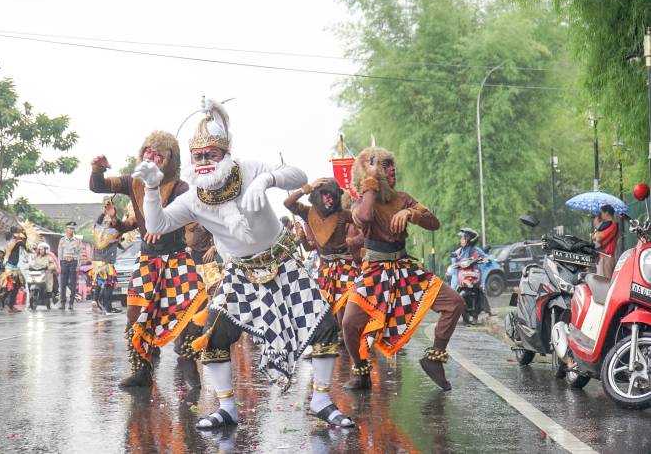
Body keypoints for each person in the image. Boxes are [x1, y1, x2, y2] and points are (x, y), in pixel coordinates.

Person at [136, 98, 354, 429]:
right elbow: (156, 226)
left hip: (283, 263)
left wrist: (267, 181)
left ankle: (321, 399)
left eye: (212, 154)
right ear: (191, 160)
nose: (205, 160)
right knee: (212, 334)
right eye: (199, 156)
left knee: (323, 326)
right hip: (241, 273)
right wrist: (151, 188)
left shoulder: (248, 169)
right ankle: (226, 408)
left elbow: (298, 174)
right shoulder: (193, 197)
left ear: (226, 154)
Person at [90, 130, 206, 388]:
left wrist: (163, 228)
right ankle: (142, 370)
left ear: (169, 160)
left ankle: (189, 368)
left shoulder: (180, 187)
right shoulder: (133, 182)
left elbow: (186, 217)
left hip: (176, 258)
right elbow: (98, 187)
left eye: (157, 155)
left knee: (187, 313)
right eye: (147, 153)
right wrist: (97, 169)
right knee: (135, 313)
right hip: (148, 260)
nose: (151, 158)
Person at [341, 146, 464, 391]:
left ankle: (434, 358)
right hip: (374, 271)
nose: (391, 169)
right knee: (348, 324)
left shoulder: (403, 198)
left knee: (455, 303)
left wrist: (410, 213)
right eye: (384, 166)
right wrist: (369, 183)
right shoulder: (360, 202)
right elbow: (364, 219)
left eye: (391, 164)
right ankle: (361, 371)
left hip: (405, 267)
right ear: (370, 174)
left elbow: (434, 223)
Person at [284, 177, 359, 322]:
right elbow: (288, 203)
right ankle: (340, 333)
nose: (329, 199)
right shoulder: (307, 213)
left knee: (346, 303)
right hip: (325, 268)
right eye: (325, 194)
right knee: (328, 306)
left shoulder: (343, 214)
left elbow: (365, 225)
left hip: (347, 266)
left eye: (332, 195)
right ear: (317, 195)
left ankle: (347, 331)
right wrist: (306, 188)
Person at [89, 200, 129, 315]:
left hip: (96, 262)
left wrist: (103, 213)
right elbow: (122, 232)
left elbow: (98, 222)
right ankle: (107, 307)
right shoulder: (114, 232)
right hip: (107, 263)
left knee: (99, 282)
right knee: (109, 284)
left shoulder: (97, 230)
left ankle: (95, 300)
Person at [450, 227, 492, 316]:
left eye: (463, 238)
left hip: (474, 273)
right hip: (462, 275)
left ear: (468, 239)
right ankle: (452, 310)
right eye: (461, 238)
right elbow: (454, 261)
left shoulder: (476, 250)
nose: (461, 240)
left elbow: (486, 259)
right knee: (453, 290)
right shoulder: (459, 251)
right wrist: (454, 261)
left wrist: (485, 260)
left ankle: (488, 310)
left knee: (481, 289)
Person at [0, 225, 31, 313]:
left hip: (11, 267)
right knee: (15, 287)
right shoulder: (16, 242)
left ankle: (4, 299)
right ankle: (9, 304)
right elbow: (27, 247)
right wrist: (26, 234)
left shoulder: (11, 241)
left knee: (14, 286)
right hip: (12, 268)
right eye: (19, 233)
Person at [58, 221, 81, 310]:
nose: (71, 230)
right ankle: (62, 303)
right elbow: (60, 253)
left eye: (73, 228)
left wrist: (78, 264)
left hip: (73, 262)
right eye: (70, 228)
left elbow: (79, 254)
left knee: (73, 283)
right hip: (64, 262)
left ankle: (71, 303)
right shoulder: (62, 240)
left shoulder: (77, 241)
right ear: (66, 229)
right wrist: (59, 265)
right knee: (63, 283)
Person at [593, 204, 620, 278]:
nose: (600, 215)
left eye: (601, 213)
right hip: (603, 257)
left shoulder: (611, 224)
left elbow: (597, 238)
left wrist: (596, 225)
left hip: (605, 257)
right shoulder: (607, 224)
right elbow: (594, 237)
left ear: (606, 213)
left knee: (603, 281)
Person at [28, 242, 56, 310]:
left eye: (43, 249)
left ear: (46, 250)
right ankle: (30, 303)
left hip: (46, 275)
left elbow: (53, 265)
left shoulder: (49, 257)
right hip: (38, 275)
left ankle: (51, 302)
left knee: (49, 288)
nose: (41, 251)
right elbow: (32, 263)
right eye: (40, 249)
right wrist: (28, 266)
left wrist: (50, 267)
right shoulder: (37, 257)